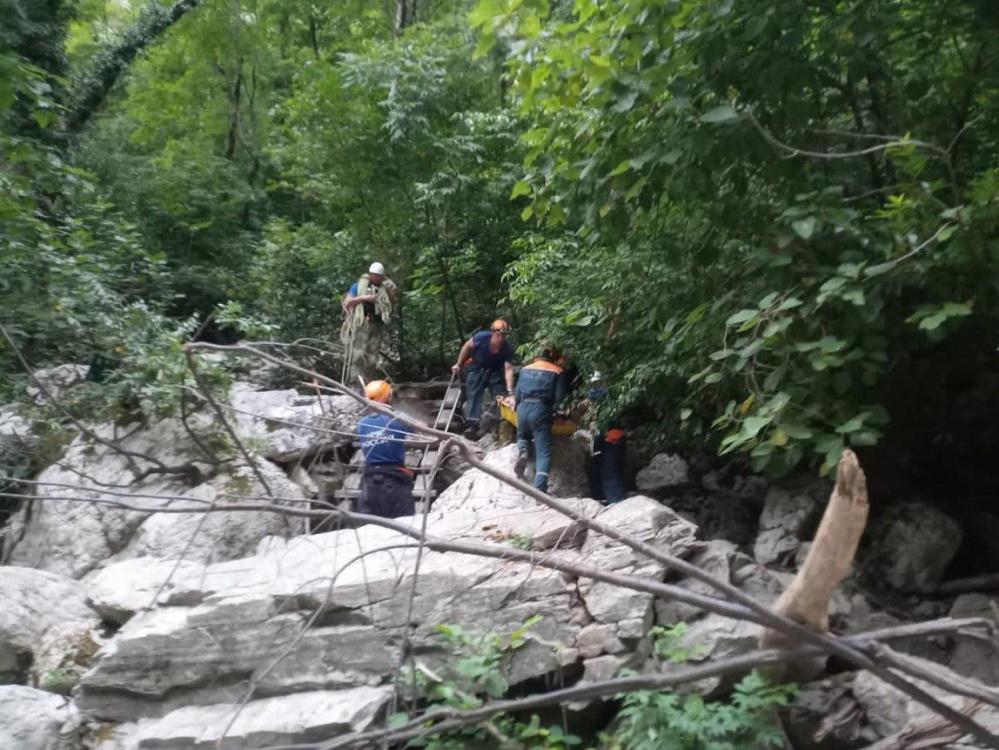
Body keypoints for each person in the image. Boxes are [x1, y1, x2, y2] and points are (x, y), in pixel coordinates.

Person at [514, 340, 567, 492]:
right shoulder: (557, 371)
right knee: (543, 451)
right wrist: (559, 413)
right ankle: (539, 488)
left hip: (523, 407)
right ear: (553, 356)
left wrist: (520, 408)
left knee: (522, 435)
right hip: (541, 409)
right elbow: (559, 397)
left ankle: (523, 451)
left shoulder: (525, 369)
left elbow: (517, 395)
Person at [356, 379, 414, 518]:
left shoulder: (362, 424)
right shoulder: (397, 419)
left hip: (369, 484)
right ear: (389, 396)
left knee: (372, 529)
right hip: (394, 482)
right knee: (403, 527)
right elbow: (422, 427)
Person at [452, 319, 516, 439]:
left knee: (499, 395)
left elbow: (508, 369)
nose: (501, 338)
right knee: (474, 395)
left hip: (495, 371)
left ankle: (498, 422)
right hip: (477, 368)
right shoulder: (481, 337)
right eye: (499, 334)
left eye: (504, 335)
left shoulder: (507, 348)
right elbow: (466, 347)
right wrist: (459, 364)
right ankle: (472, 425)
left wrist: (510, 391)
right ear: (493, 332)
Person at [341, 262, 398, 383]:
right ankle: (355, 382)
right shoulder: (359, 286)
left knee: (372, 357)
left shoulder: (385, 289)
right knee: (358, 355)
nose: (376, 278)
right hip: (362, 324)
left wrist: (389, 295)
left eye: (378, 275)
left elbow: (391, 304)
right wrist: (364, 298)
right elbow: (347, 303)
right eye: (374, 275)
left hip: (377, 325)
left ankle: (369, 383)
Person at [585, 372, 626, 503]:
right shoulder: (609, 397)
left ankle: (616, 500)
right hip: (606, 437)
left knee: (610, 471)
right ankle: (604, 498)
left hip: (611, 438)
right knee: (599, 467)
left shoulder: (605, 397)